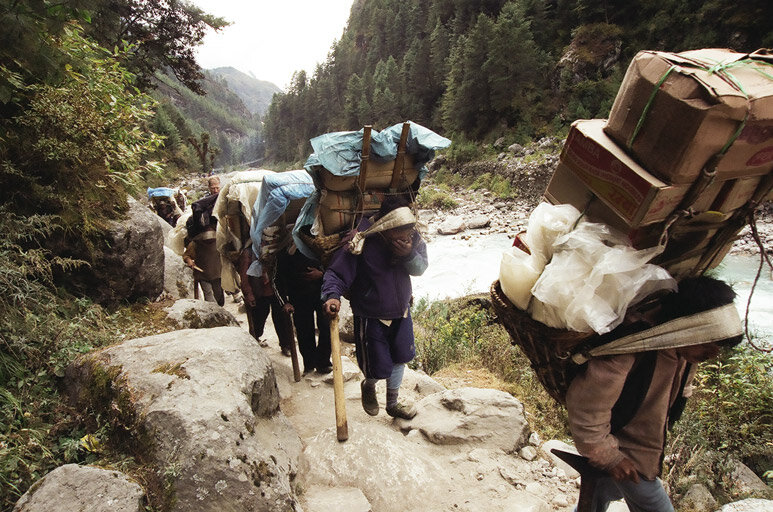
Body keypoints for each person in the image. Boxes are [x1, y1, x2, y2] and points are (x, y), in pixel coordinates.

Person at [565, 276, 743, 512]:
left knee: (597, 498)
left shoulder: (684, 350)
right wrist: (610, 457)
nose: (712, 354)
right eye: (708, 345)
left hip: (644, 450)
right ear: (686, 328)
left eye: (717, 348)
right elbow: (586, 407)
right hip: (625, 451)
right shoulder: (627, 350)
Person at [322, 194, 428, 420]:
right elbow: (337, 272)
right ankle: (369, 385)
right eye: (399, 231)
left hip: (401, 311)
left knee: (400, 357)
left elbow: (420, 268)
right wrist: (332, 295)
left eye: (408, 231)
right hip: (371, 315)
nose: (405, 236)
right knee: (377, 365)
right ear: (386, 226)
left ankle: (392, 403)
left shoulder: (411, 237)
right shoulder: (361, 240)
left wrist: (408, 254)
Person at [275, 240, 332, 374]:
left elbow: (333, 267)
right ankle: (309, 364)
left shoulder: (320, 245)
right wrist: (284, 302)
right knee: (304, 330)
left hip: (322, 294)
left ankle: (323, 362)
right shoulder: (284, 253)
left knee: (326, 327)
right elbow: (276, 279)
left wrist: (321, 274)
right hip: (298, 296)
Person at [236, 240, 295, 354]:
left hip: (276, 292)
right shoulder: (249, 253)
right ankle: (255, 338)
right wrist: (249, 294)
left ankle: (285, 344)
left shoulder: (276, 249)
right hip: (259, 292)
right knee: (258, 319)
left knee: (281, 319)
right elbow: (244, 275)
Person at [183, 225, 224, 306]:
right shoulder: (195, 243)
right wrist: (189, 261)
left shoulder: (220, 241)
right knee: (208, 296)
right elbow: (186, 255)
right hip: (202, 274)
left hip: (217, 274)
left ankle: (220, 310)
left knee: (219, 295)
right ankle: (214, 312)